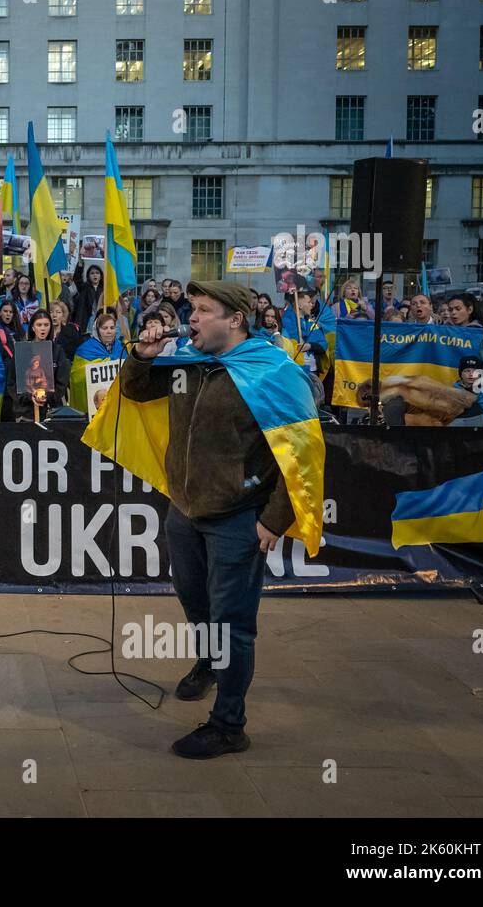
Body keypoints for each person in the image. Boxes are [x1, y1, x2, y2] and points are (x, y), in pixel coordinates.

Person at [117, 280, 321, 759]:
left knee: (233, 623)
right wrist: (143, 355)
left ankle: (229, 725)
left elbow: (304, 451)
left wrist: (274, 520)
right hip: (185, 511)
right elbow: (136, 390)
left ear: (235, 319)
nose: (191, 317)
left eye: (203, 310)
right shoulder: (190, 360)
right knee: (194, 600)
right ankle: (209, 661)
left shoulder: (273, 372)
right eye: (192, 309)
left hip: (237, 518)